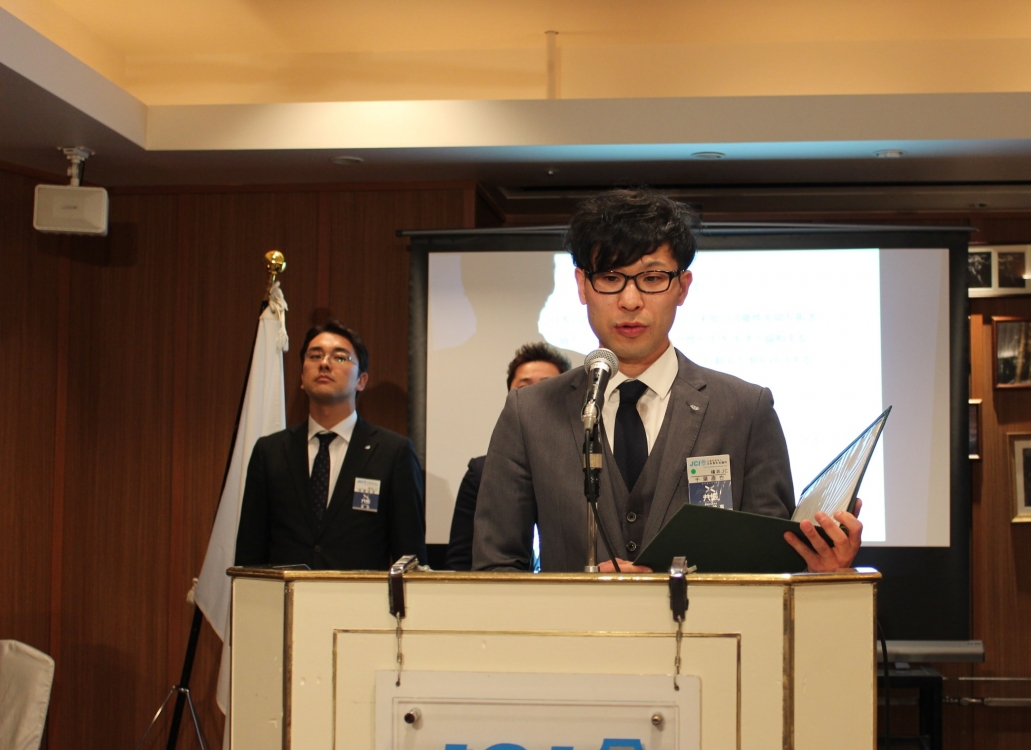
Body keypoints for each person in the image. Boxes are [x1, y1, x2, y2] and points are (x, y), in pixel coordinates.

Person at [472, 188, 861, 573]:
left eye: (652, 278)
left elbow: (770, 566)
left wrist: (821, 569)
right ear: (581, 284)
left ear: (682, 287)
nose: (630, 301)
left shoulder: (745, 409)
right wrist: (581, 593)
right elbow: (495, 566)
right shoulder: (530, 412)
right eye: (610, 277)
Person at [235, 319, 425, 570]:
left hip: (359, 595)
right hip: (286, 595)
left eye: (340, 357)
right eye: (315, 356)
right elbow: (249, 555)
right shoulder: (270, 452)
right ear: (302, 377)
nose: (324, 363)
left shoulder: (393, 453)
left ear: (361, 380)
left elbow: (410, 560)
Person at [443, 342, 571, 570]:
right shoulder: (480, 473)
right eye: (525, 388)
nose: (535, 396)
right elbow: (460, 562)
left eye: (547, 386)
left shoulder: (588, 467)